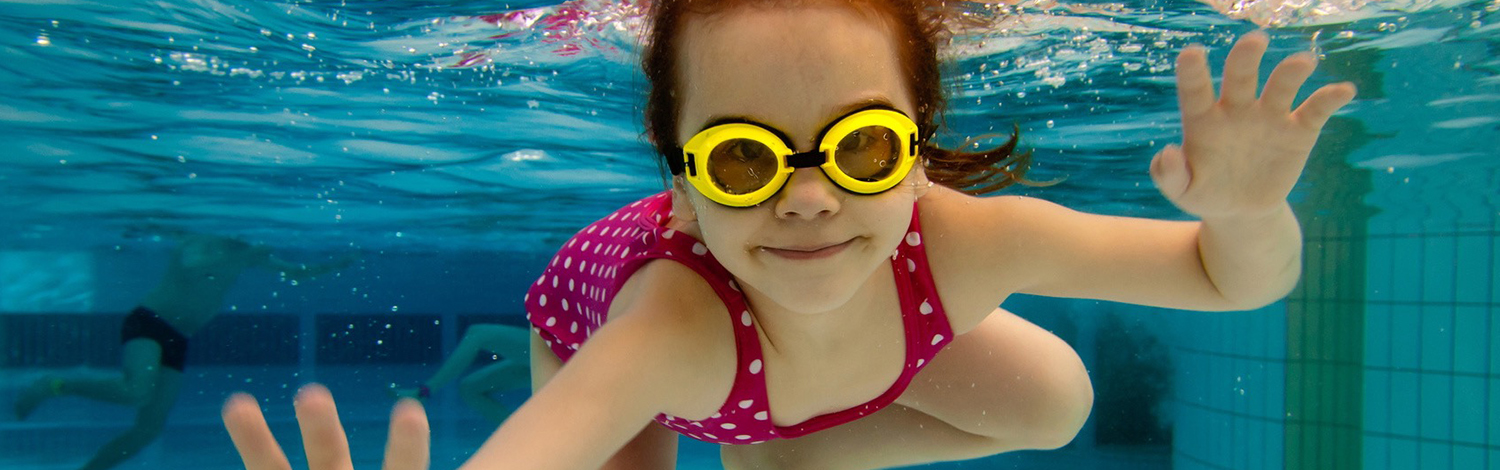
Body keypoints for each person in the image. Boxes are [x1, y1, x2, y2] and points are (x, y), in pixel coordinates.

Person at [221, 0, 1358, 469]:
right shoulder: (670, 330)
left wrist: (1250, 210)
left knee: (1057, 400)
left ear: (919, 141)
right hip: (599, 316)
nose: (807, 199)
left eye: (860, 148)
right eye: (744, 159)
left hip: (801, 374)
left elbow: (1225, 277)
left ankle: (777, 453)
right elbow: (537, 448)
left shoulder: (968, 239)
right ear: (678, 178)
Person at [13, 234, 351, 470]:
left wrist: (342, 261)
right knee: (135, 393)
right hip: (150, 322)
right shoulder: (206, 240)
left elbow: (295, 272)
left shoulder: (245, 249)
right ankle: (55, 384)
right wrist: (245, 256)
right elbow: (193, 265)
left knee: (148, 430)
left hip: (178, 336)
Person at [389, 323, 532, 423]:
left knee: (478, 333)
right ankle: (526, 439)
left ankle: (423, 392)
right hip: (550, 351)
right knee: (469, 388)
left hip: (552, 348)